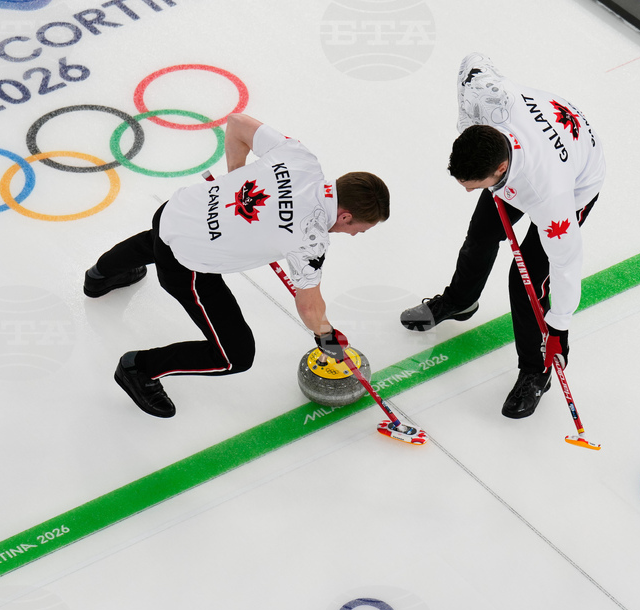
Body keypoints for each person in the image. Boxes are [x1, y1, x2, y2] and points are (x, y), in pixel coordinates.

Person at [85, 113, 390, 417]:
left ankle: (99, 276)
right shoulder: (310, 238)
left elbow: (237, 124)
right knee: (235, 355)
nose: (353, 235)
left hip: (179, 208)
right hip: (186, 264)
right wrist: (326, 336)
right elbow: (310, 309)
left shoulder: (302, 158)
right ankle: (139, 368)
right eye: (358, 230)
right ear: (346, 215)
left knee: (160, 237)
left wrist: (236, 178)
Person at [401, 53, 605, 419]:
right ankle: (461, 300)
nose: (467, 192)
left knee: (525, 276)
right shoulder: (485, 97)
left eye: (474, 185)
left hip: (574, 178)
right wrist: (467, 123)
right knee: (481, 232)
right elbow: (472, 61)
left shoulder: (551, 197)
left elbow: (568, 263)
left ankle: (535, 370)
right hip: (526, 148)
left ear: (499, 168)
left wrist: (560, 324)